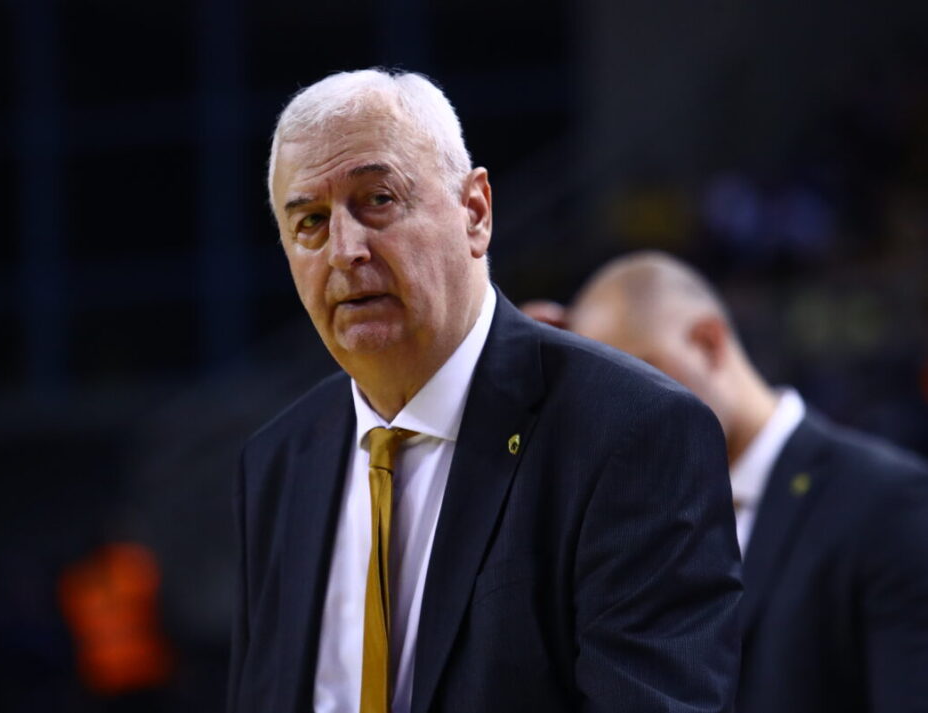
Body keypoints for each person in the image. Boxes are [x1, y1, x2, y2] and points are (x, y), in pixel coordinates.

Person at [227, 70, 742, 713]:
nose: (345, 250)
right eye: (310, 221)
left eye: (378, 199)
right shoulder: (277, 460)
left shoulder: (634, 432)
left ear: (475, 212)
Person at [553, 250, 928, 713]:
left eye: (641, 378)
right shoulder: (628, 522)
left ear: (709, 342)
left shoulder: (888, 501)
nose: (624, 416)